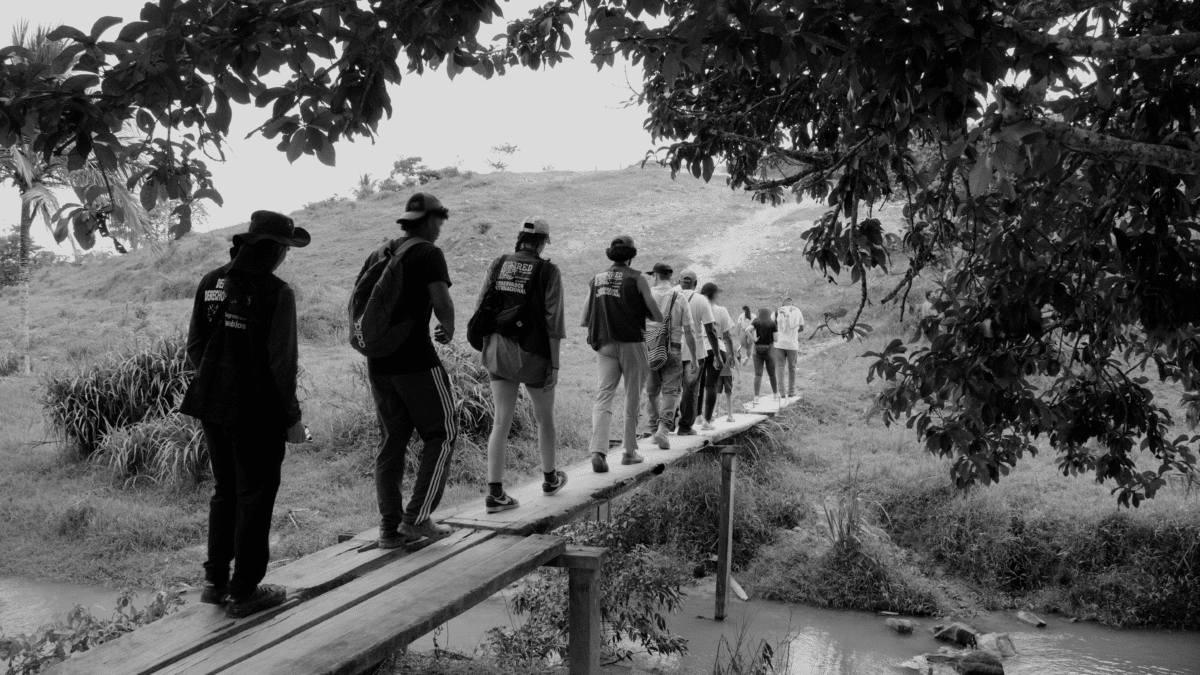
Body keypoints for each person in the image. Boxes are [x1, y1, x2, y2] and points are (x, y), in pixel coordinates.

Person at [180, 210, 310, 619]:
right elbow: (281, 363)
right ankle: (245, 591)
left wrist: (222, 377)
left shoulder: (211, 282)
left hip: (211, 404)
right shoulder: (277, 292)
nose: (285, 258)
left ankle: (215, 583)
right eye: (285, 249)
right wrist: (291, 418)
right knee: (255, 495)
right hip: (257, 412)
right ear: (273, 250)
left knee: (227, 490)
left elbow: (195, 346)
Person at [362, 192, 459, 548]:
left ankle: (390, 528)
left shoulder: (381, 251)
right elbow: (441, 300)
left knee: (393, 440)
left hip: (379, 361)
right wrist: (447, 328)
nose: (440, 228)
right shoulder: (428, 253)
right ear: (431, 220)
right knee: (443, 431)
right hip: (416, 360)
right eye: (440, 221)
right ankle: (417, 519)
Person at [476, 218, 568, 512]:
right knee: (545, 419)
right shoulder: (549, 271)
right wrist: (554, 365)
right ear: (543, 242)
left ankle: (495, 492)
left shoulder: (498, 263)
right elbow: (554, 322)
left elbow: (481, 305)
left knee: (500, 422)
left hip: (498, 352)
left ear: (520, 239)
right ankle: (550, 478)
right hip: (535, 355)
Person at [581, 235, 663, 472]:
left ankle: (598, 450)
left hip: (604, 343)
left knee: (604, 394)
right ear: (631, 255)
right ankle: (629, 451)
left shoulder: (596, 279)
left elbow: (585, 319)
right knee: (632, 396)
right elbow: (656, 315)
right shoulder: (637, 278)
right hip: (631, 343)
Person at [643, 262, 696, 450]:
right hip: (673, 349)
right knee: (671, 391)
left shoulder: (646, 295)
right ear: (670, 277)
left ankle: (653, 427)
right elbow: (689, 331)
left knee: (651, 391)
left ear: (656, 276)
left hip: (649, 349)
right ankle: (663, 429)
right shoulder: (679, 297)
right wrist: (695, 358)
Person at [675, 269, 720, 435]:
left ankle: (667, 423)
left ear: (679, 281)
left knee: (671, 388)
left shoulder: (671, 295)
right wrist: (716, 353)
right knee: (691, 390)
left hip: (673, 349)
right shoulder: (701, 300)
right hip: (696, 353)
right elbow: (711, 330)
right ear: (695, 283)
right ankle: (685, 427)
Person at [698, 283, 735, 430]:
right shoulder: (721, 310)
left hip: (698, 348)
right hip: (716, 349)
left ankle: (697, 418)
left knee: (698, 385)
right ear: (713, 294)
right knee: (711, 385)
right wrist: (731, 354)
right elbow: (727, 335)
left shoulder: (696, 306)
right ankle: (708, 421)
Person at [772, 296, 805, 398]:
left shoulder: (776, 311)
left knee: (780, 367)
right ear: (791, 303)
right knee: (792, 368)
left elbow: (771, 326)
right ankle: (791, 391)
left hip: (779, 344)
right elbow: (802, 327)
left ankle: (781, 392)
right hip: (792, 345)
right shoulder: (797, 311)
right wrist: (794, 332)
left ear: (783, 304)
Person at [751, 307, 780, 401]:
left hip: (757, 350)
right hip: (769, 350)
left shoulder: (756, 322)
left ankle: (756, 397)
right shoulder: (772, 324)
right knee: (772, 374)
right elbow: (776, 339)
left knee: (758, 374)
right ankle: (775, 394)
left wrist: (753, 339)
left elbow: (747, 329)